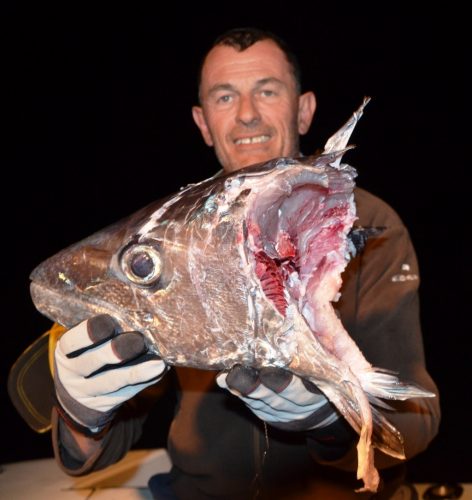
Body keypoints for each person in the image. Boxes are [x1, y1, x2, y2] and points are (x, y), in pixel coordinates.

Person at [49, 28, 440, 499]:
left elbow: (417, 418)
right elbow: (86, 458)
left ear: (304, 110)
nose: (247, 114)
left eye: (268, 91)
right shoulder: (167, 236)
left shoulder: (367, 222)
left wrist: (331, 422)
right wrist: (80, 410)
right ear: (203, 122)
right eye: (225, 96)